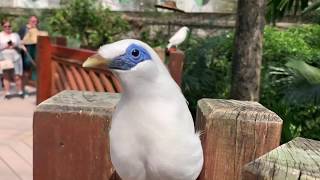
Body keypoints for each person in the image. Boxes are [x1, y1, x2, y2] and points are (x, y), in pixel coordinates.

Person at [0, 19, 24, 98]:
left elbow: (20, 45)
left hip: (16, 57)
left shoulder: (15, 35)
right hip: (5, 57)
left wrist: (15, 45)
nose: (7, 28)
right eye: (5, 26)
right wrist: (5, 46)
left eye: (9, 26)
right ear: (2, 27)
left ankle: (20, 92)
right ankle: (7, 93)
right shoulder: (0, 35)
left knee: (17, 75)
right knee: (6, 75)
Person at [18, 15, 39, 89]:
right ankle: (24, 88)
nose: (34, 22)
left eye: (35, 21)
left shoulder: (37, 29)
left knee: (35, 69)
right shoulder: (23, 28)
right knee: (26, 70)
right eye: (32, 21)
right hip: (26, 50)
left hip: (36, 51)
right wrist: (23, 47)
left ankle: (37, 89)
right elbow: (19, 40)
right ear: (29, 21)